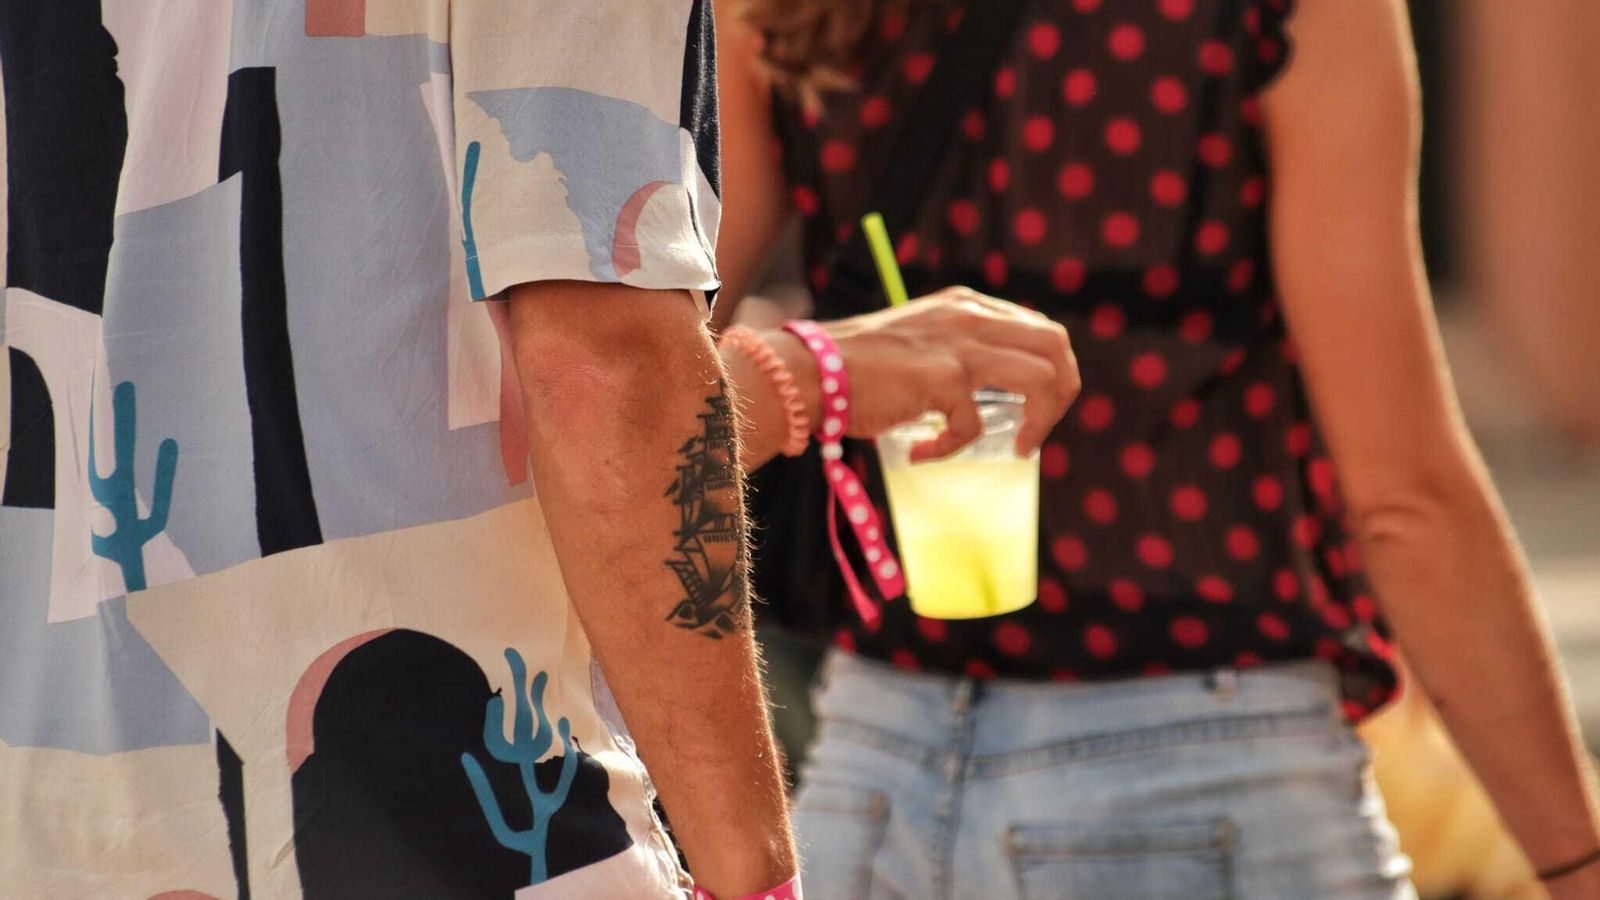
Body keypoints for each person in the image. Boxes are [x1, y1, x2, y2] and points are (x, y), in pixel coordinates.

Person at [0, 2, 1078, 897]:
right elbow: (602, 373)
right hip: (445, 823)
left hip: (62, 819)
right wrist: (752, 876)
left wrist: (784, 380)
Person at [711, 0, 1600, 897]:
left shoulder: (772, 12)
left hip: (868, 786)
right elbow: (1406, 504)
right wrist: (1577, 860)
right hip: (1208, 784)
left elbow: (653, 410)